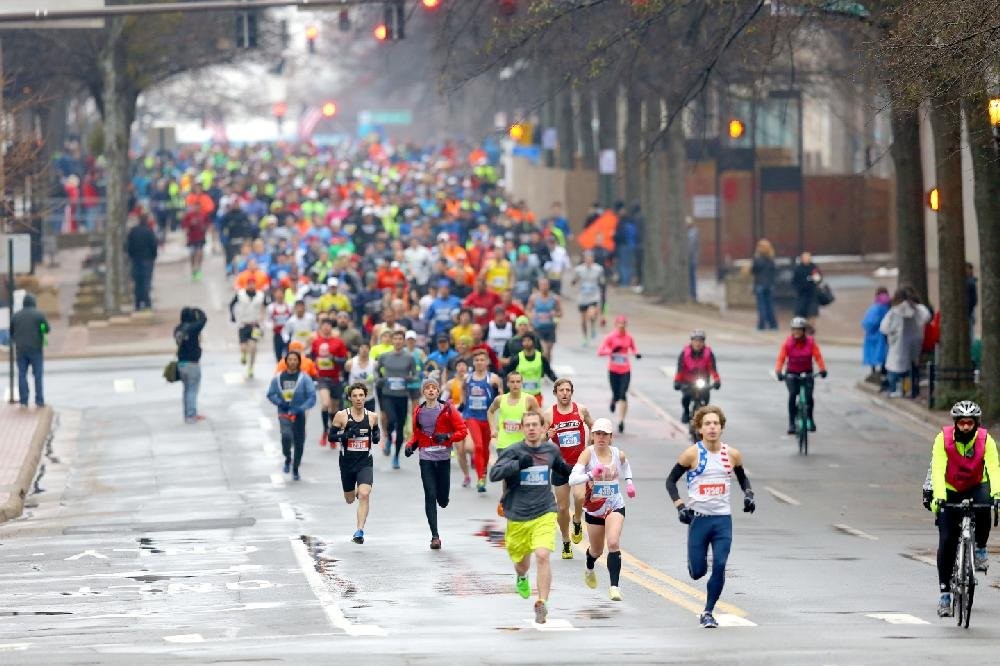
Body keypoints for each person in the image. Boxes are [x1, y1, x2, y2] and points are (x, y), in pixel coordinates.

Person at [666, 405, 756, 629]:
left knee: (720, 564)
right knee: (698, 572)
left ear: (722, 428)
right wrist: (680, 506)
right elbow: (670, 481)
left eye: (716, 423)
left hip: (722, 520)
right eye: (707, 424)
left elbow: (743, 478)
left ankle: (708, 611)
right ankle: (695, 563)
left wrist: (749, 495)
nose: (712, 427)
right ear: (700, 429)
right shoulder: (692, 454)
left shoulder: (732, 454)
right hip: (699, 520)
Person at [489, 410, 574, 625]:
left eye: (535, 424)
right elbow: (494, 474)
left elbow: (560, 468)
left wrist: (575, 471)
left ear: (543, 427)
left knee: (543, 555)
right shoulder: (513, 451)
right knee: (521, 563)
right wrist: (518, 464)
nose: (532, 428)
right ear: (521, 428)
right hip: (518, 515)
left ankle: (542, 602)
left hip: (544, 511)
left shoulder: (551, 450)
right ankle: (522, 576)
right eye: (527, 425)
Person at [928, 401, 1000, 616]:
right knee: (947, 540)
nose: (966, 427)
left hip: (977, 485)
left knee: (986, 505)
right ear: (955, 423)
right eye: (962, 423)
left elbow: (994, 468)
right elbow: (938, 469)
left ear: (976, 423)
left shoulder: (986, 440)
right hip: (950, 488)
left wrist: (997, 494)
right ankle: (944, 594)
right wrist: (939, 497)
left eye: (970, 423)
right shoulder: (942, 439)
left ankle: (980, 548)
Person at [568, 417, 635, 600]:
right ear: (592, 436)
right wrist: (590, 474)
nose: (601, 438)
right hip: (595, 509)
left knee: (613, 543)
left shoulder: (618, 454)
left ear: (611, 437)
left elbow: (626, 467)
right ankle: (589, 566)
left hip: (615, 505)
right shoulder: (588, 454)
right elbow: (572, 480)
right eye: (598, 434)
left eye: (605, 434)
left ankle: (614, 587)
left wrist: (629, 483)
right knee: (596, 551)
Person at [405, 377, 469, 550]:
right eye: (427, 388)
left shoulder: (447, 409)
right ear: (423, 392)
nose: (431, 390)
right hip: (425, 458)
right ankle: (435, 536)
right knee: (430, 494)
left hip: (443, 459)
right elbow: (417, 434)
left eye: (434, 387)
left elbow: (462, 430)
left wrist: (447, 436)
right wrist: (410, 446)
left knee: (442, 500)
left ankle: (443, 499)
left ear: (438, 391)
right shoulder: (418, 411)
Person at [548, 378, 594, 560]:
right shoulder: (549, 414)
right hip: (560, 465)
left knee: (580, 496)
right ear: (555, 393)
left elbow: (592, 425)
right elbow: (537, 439)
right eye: (561, 390)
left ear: (571, 392)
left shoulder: (580, 410)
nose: (565, 393)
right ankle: (566, 541)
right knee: (562, 507)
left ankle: (577, 520)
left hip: (579, 464)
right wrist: (546, 435)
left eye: (568, 390)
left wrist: (591, 444)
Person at [329, 383, 380, 544]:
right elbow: (331, 437)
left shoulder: (372, 416)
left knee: (364, 494)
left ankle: (359, 531)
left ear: (365, 397)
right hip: (347, 463)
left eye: (361, 395)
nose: (358, 399)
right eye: (355, 396)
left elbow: (376, 431)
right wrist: (345, 435)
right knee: (350, 499)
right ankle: (356, 490)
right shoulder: (341, 416)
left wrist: (376, 436)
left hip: (365, 462)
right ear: (350, 398)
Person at [266, 350, 317, 481]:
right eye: (290, 359)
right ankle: (288, 457)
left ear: (299, 362)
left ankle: (295, 468)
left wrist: (302, 408)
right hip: (284, 412)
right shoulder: (278, 378)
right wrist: (280, 402)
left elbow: (312, 396)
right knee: (286, 435)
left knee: (299, 441)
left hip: (299, 413)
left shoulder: (304, 378)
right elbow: (270, 394)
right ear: (286, 361)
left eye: (295, 360)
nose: (292, 362)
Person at [775, 317, 828, 434]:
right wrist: (778, 371)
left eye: (799, 329)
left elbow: (818, 357)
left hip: (807, 372)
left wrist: (822, 369)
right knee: (792, 395)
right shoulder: (788, 343)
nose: (796, 332)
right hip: (792, 373)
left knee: (809, 397)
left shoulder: (811, 342)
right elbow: (781, 358)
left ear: (804, 331)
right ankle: (791, 423)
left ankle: (810, 419)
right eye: (794, 329)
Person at [376, 330, 417, 469]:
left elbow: (415, 375)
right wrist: (381, 380)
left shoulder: (409, 358)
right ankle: (388, 438)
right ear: (392, 341)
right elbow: (376, 371)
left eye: (400, 339)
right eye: (396, 338)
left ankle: (396, 457)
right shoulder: (384, 356)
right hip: (388, 394)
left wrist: (408, 379)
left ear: (403, 341)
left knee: (400, 427)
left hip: (402, 396)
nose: (398, 341)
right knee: (391, 419)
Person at [879, 287, 930, 398]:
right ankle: (910, 390)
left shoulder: (894, 312)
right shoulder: (916, 310)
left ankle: (895, 389)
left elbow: (884, 328)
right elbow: (926, 317)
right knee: (911, 368)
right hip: (913, 345)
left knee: (897, 369)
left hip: (898, 346)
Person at [463, 350, 503, 492]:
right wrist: (464, 408)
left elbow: (500, 398)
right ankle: (480, 478)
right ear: (473, 362)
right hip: (472, 417)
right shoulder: (467, 378)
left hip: (487, 418)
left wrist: (496, 389)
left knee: (485, 448)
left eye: (482, 360)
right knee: (478, 446)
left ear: (487, 362)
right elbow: (463, 392)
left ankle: (484, 473)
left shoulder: (493, 378)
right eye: (477, 360)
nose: (479, 362)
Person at [597, 315, 641, 433]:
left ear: (626, 325)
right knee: (616, 393)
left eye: (624, 324)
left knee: (623, 394)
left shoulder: (629, 337)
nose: (621, 326)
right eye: (619, 324)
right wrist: (611, 351)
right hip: (613, 370)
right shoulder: (610, 337)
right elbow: (600, 351)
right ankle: (613, 399)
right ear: (616, 325)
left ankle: (621, 421)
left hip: (625, 370)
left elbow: (634, 349)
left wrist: (636, 354)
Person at [312, 317, 349, 447]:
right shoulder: (316, 342)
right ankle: (325, 430)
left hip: (335, 379)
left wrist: (334, 359)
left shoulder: (338, 342)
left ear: (331, 328)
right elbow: (312, 357)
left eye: (329, 325)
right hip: (322, 379)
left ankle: (332, 433)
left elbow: (344, 360)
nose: (326, 327)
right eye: (324, 325)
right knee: (325, 403)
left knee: (334, 408)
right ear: (321, 327)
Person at [672, 329, 720, 424]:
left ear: (704, 342)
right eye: (695, 340)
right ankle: (686, 412)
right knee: (686, 397)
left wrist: (717, 381)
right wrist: (677, 382)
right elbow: (680, 370)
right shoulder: (685, 353)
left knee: (706, 400)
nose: (698, 343)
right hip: (688, 381)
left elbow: (713, 369)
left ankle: (703, 420)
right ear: (691, 341)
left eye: (700, 341)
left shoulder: (708, 353)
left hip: (703, 380)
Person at [10, 294, 50, 408]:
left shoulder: (16, 316)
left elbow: (11, 333)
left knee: (22, 374)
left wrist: (18, 340)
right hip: (36, 349)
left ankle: (24, 401)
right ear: (34, 303)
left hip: (21, 349)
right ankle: (39, 401)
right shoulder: (39, 315)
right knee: (37, 375)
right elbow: (46, 329)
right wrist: (41, 331)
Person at [488, 372, 541, 455]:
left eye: (518, 381)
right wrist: (493, 429)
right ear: (507, 384)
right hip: (503, 445)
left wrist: (538, 433)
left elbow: (541, 418)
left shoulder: (529, 399)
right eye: (512, 382)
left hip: (523, 445)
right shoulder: (500, 399)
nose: (515, 384)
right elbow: (490, 412)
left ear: (522, 383)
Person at [503, 333, 557, 408]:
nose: (526, 343)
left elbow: (549, 372)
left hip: (536, 395)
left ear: (533, 342)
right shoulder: (517, 358)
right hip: (520, 396)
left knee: (535, 415)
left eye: (529, 340)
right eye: (524, 341)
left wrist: (559, 382)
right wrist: (506, 390)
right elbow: (507, 373)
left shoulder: (541, 358)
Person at [174, 306, 206, 423]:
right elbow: (203, 320)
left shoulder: (177, 329)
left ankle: (187, 413)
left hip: (181, 363)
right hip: (192, 363)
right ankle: (191, 415)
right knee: (192, 390)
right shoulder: (193, 329)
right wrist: (198, 311)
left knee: (186, 390)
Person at [229, 284, 266, 379]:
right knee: (243, 347)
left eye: (253, 283)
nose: (251, 286)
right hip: (243, 324)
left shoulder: (260, 295)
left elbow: (265, 306)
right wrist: (233, 316)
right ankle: (244, 354)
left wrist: (263, 317)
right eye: (249, 283)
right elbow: (231, 304)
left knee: (253, 347)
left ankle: (251, 368)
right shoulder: (240, 294)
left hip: (255, 325)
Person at [125, 216, 158, 311]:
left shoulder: (133, 231)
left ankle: (138, 302)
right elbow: (154, 245)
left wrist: (131, 256)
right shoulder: (149, 231)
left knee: (137, 282)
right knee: (146, 281)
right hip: (147, 259)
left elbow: (128, 245)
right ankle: (147, 301)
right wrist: (153, 256)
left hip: (136, 259)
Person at [573, 250, 604, 345]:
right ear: (584, 259)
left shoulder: (598, 269)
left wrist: (602, 284)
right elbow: (574, 280)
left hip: (593, 296)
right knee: (583, 320)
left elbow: (602, 281)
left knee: (591, 314)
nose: (589, 260)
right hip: (583, 297)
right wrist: (574, 281)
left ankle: (593, 326)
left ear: (593, 259)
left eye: (590, 258)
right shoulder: (579, 269)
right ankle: (585, 338)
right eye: (587, 258)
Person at [860, 287, 890, 384]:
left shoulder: (874, 307)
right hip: (882, 335)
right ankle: (883, 372)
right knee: (883, 354)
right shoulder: (888, 306)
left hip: (872, 335)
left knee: (872, 354)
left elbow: (868, 322)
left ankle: (873, 372)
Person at [527, 278, 561, 360]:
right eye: (542, 285)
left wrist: (555, 314)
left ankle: (547, 367)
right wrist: (532, 316)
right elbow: (527, 311)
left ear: (549, 286)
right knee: (544, 351)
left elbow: (560, 313)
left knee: (548, 352)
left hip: (550, 328)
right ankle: (542, 366)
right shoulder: (534, 298)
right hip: (538, 328)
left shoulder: (555, 298)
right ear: (539, 286)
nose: (544, 287)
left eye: (545, 285)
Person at [750, 239, 777, 330]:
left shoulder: (757, 259)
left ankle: (761, 325)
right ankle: (773, 325)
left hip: (760, 284)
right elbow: (774, 271)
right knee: (770, 305)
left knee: (761, 306)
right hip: (769, 285)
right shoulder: (771, 259)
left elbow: (753, 270)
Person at [792, 251, 822, 331]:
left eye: (808, 257)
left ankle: (811, 328)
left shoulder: (813, 267)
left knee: (812, 312)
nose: (806, 259)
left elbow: (819, 278)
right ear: (802, 259)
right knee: (801, 312)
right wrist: (798, 288)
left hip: (812, 293)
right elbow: (794, 281)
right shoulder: (798, 269)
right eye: (804, 258)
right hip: (802, 294)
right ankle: (804, 328)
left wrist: (817, 279)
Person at [345, 342, 378, 411]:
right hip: (354, 398)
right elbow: (345, 378)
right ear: (359, 349)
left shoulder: (374, 364)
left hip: (369, 397)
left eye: (366, 348)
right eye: (362, 348)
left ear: (369, 350)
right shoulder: (350, 363)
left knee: (369, 417)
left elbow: (377, 378)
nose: (364, 350)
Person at [267, 286, 292, 361]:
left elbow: (293, 319)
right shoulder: (271, 307)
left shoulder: (289, 306)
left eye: (281, 293)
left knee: (289, 356)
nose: (279, 295)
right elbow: (267, 321)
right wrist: (272, 325)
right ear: (274, 295)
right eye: (277, 293)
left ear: (284, 294)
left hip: (288, 334)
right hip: (277, 334)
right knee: (278, 356)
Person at [686, 217, 699, 302]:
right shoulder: (692, 232)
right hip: (691, 258)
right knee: (690, 277)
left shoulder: (692, 233)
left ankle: (693, 294)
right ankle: (691, 294)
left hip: (691, 258)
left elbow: (690, 247)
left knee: (691, 277)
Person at [966, 262, 978, 343]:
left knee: (970, 332)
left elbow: (974, 300)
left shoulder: (970, 282)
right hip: (969, 311)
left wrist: (969, 310)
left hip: (969, 312)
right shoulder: (971, 281)